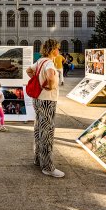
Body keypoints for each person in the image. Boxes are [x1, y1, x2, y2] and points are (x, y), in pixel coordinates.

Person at [26, 39, 65, 178]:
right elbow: (49, 75)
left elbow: (28, 70)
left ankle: (38, 158)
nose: (59, 51)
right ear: (53, 49)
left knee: (38, 128)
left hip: (37, 99)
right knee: (47, 131)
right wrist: (50, 85)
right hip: (47, 100)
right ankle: (48, 167)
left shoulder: (40, 61)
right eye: (57, 48)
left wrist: (37, 80)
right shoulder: (49, 63)